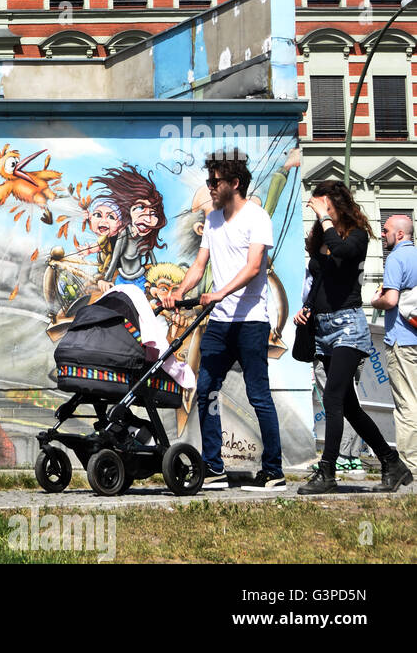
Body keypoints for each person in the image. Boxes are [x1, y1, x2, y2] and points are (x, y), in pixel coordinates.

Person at [164, 149, 285, 491]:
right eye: (209, 181)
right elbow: (199, 265)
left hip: (251, 321)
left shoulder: (257, 217)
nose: (210, 187)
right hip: (219, 323)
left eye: (215, 181)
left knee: (258, 395)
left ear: (234, 183)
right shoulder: (214, 220)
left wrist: (220, 292)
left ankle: (273, 471)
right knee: (205, 390)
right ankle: (214, 467)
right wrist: (179, 291)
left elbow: (254, 266)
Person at [294, 181, 401, 493]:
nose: (318, 210)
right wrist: (306, 308)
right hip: (322, 328)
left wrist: (325, 218)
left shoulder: (356, 236)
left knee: (332, 398)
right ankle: (391, 462)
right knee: (349, 407)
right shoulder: (321, 237)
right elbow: (319, 279)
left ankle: (327, 471)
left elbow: (341, 254)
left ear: (335, 204)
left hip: (349, 327)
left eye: (323, 203)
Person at [368, 213, 417, 491]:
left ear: (400, 234)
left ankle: (409, 466)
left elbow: (390, 300)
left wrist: (375, 299)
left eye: (385, 230)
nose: (382, 234)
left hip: (402, 339)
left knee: (406, 405)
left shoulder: (396, 259)